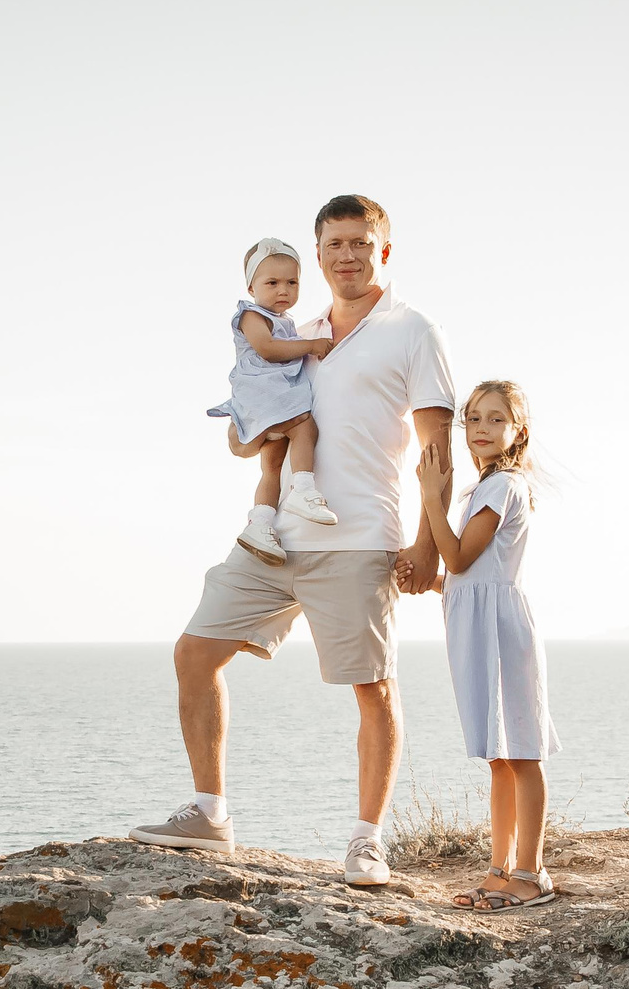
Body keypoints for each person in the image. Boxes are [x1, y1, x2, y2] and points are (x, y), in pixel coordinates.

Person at [131, 194, 454, 888]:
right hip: (275, 535)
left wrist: (430, 544)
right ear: (317, 255)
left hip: (360, 537)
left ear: (383, 252)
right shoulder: (292, 332)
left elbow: (437, 447)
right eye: (335, 243)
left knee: (373, 688)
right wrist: (247, 428)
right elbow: (245, 438)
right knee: (195, 653)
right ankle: (211, 813)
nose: (348, 254)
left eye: (361, 243)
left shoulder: (413, 329)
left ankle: (368, 841)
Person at [416, 380, 560, 909]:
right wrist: (419, 576)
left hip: (500, 630)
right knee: (499, 756)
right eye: (473, 418)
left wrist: (430, 498)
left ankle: (531, 871)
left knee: (521, 751)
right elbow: (465, 573)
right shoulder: (486, 488)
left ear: (518, 430)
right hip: (480, 625)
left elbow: (456, 558)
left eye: (495, 419)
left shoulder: (502, 486)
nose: (480, 428)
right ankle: (499, 870)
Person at [207, 239, 338, 565]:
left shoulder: (285, 321)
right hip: (264, 398)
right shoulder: (252, 315)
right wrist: (311, 345)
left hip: (271, 402)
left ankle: (261, 524)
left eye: (292, 282)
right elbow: (267, 349)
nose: (284, 290)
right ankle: (304, 489)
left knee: (273, 466)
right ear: (251, 287)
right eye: (272, 283)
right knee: (305, 426)